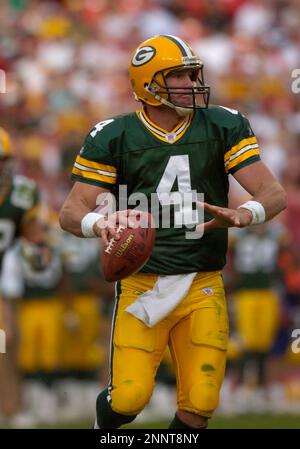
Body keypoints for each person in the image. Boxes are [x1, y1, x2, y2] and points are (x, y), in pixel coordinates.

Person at [59, 35, 287, 429]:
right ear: (148, 84)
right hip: (140, 284)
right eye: (178, 75)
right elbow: (69, 212)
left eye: (191, 72)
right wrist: (102, 224)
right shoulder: (114, 135)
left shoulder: (222, 125)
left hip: (203, 282)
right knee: (129, 398)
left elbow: (273, 194)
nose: (190, 82)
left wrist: (245, 214)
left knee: (200, 401)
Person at [0, 127, 46, 422]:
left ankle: (11, 407)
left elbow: (34, 237)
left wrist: (40, 252)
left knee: (7, 341)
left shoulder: (23, 191)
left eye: (2, 159)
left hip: (3, 278)